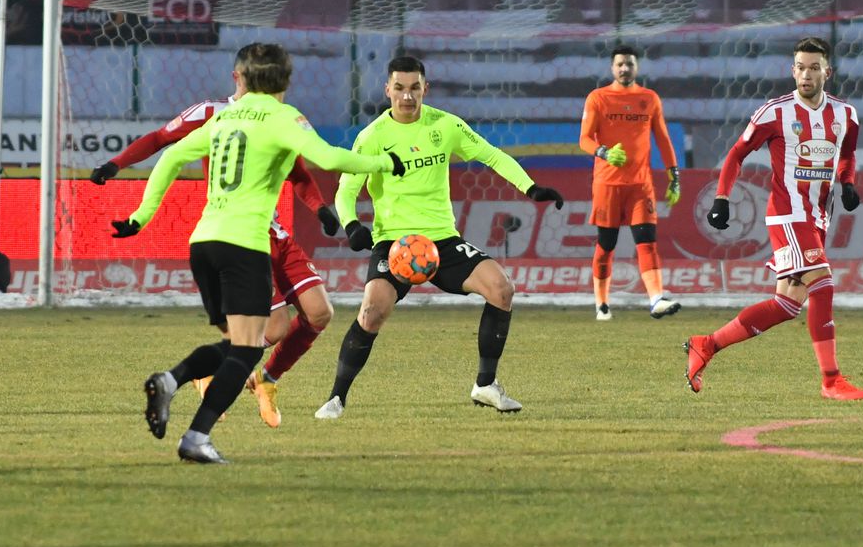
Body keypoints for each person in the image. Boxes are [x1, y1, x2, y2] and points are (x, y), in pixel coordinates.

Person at [114, 42, 404, 464]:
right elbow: (327, 156)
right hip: (245, 244)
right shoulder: (283, 116)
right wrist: (383, 164)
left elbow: (172, 155)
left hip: (204, 243)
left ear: (244, 79)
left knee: (239, 344)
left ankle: (173, 384)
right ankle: (192, 429)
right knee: (250, 348)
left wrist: (140, 217)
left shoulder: (225, 116)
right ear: (285, 81)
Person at [90, 45, 342, 429]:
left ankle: (266, 380)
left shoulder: (276, 117)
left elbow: (298, 171)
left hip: (273, 231)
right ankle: (211, 375)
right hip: (238, 234)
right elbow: (162, 140)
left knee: (320, 313)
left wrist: (320, 208)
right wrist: (116, 164)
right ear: (237, 76)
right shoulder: (212, 114)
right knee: (270, 329)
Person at [314, 55, 565, 420]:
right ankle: (336, 398)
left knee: (502, 289)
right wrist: (351, 224)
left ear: (425, 89)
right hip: (395, 245)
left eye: (414, 88)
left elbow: (491, 155)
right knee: (371, 312)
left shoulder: (445, 126)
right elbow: (346, 189)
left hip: (443, 241)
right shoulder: (371, 137)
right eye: (399, 88)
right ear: (387, 90)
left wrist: (530, 187)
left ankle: (485, 384)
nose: (407, 96)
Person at [684, 36, 863, 401]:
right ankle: (831, 380)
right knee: (824, 284)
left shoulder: (845, 115)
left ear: (826, 72)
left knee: (787, 304)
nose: (806, 74)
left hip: (817, 217)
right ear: (792, 70)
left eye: (814, 68)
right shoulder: (775, 112)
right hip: (788, 213)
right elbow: (737, 154)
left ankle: (705, 344)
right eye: (800, 67)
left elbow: (847, 154)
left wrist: (847, 183)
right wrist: (722, 198)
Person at [579, 45, 682, 321]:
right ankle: (601, 302)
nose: (625, 69)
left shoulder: (649, 99)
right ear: (612, 68)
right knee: (607, 244)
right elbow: (584, 139)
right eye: (620, 64)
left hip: (640, 185)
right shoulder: (598, 98)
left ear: (637, 67)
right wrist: (605, 153)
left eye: (629, 64)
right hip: (607, 185)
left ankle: (656, 299)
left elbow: (663, 139)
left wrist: (674, 177)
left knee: (647, 242)